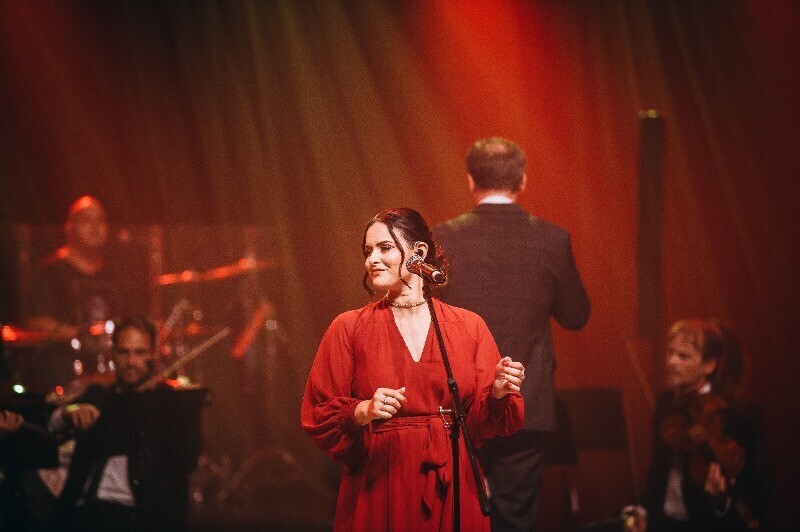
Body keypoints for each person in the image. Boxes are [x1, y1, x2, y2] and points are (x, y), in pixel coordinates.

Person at [301, 207, 525, 531]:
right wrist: (363, 411)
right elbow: (318, 412)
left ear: (418, 252)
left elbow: (477, 424)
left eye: (384, 247)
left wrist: (500, 392)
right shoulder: (348, 328)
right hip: (381, 482)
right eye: (367, 251)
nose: (371, 260)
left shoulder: (468, 326)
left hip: (452, 482)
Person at [432, 137, 591, 530]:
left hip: (458, 402)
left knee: (451, 516)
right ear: (522, 178)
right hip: (527, 401)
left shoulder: (444, 237)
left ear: (471, 180)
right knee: (513, 521)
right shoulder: (552, 239)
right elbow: (576, 315)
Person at [46, 315, 202, 532]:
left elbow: (188, 458)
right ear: (113, 355)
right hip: (86, 513)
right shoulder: (97, 394)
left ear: (153, 355)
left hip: (138, 516)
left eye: (140, 353)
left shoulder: (168, 402)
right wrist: (68, 413)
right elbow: (51, 426)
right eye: (124, 352)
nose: (131, 362)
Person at [626, 319, 769, 532]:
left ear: (709, 365)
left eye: (683, 356)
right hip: (663, 524)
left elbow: (755, 489)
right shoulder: (666, 404)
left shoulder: (738, 415)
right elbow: (657, 469)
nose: (671, 362)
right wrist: (643, 510)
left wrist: (721, 499)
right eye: (670, 353)